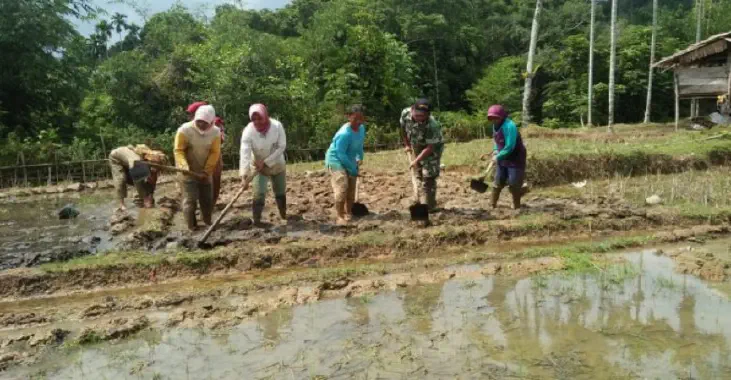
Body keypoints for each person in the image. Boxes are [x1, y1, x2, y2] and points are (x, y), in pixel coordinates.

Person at [174, 104, 221, 231]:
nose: (201, 125)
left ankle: (207, 222)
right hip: (187, 170)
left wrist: (207, 171)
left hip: (205, 170)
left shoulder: (216, 132)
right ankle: (191, 226)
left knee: (207, 198)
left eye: (205, 123)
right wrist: (184, 167)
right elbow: (179, 150)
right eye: (199, 121)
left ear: (211, 122)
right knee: (190, 200)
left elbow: (214, 152)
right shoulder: (184, 130)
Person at [240, 104, 288, 225]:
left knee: (280, 192)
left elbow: (282, 146)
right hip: (258, 167)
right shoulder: (248, 131)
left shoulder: (277, 126)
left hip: (276, 163)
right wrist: (244, 175)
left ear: (265, 116)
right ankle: (257, 221)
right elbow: (245, 153)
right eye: (254, 119)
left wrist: (266, 162)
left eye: (259, 118)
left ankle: (283, 216)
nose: (257, 122)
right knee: (259, 193)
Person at [325, 105, 366, 225]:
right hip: (336, 159)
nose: (358, 122)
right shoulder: (344, 134)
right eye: (355, 118)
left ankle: (349, 212)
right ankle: (340, 215)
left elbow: (359, 145)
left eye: (361, 119)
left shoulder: (361, 128)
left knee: (351, 188)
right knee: (342, 186)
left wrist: (360, 157)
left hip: (350, 157)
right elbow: (340, 154)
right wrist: (352, 169)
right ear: (348, 117)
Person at [400, 98, 444, 210]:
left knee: (429, 176)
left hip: (432, 150)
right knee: (418, 174)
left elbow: (430, 148)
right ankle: (419, 199)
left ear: (428, 115)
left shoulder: (432, 125)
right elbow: (403, 130)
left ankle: (430, 207)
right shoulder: (405, 114)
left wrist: (416, 160)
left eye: (422, 116)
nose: (419, 118)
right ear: (412, 109)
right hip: (416, 145)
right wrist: (406, 145)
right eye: (416, 115)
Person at [486, 104, 527, 209]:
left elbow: (510, 146)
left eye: (496, 118)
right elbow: (497, 140)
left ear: (502, 117)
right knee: (498, 181)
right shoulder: (495, 126)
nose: (494, 120)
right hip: (502, 156)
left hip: (515, 157)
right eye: (491, 118)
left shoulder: (510, 126)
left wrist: (498, 157)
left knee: (513, 183)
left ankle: (516, 204)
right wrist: (495, 151)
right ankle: (492, 204)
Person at [109, 145, 167, 211]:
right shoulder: (136, 160)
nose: (155, 169)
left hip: (130, 161)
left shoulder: (153, 159)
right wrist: (145, 198)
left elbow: (153, 180)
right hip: (116, 159)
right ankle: (121, 204)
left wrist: (151, 194)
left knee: (148, 176)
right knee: (121, 179)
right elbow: (137, 180)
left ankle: (142, 198)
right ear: (149, 160)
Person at [212, 117, 225, 205]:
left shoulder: (219, 132)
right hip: (212, 159)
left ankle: (212, 203)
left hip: (216, 159)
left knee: (216, 183)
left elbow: (222, 140)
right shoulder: (214, 132)